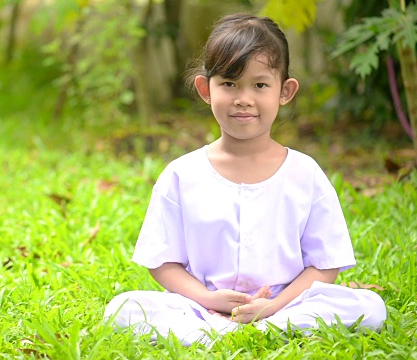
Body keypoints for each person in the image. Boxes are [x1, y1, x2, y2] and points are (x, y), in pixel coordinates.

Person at [103, 13, 386, 346]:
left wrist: (272, 307)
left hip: (285, 304)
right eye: (229, 84)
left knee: (370, 307)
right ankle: (222, 330)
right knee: (124, 308)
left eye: (260, 85)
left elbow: (324, 266)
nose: (244, 99)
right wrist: (209, 300)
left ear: (285, 91)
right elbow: (163, 263)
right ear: (205, 89)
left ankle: (248, 331)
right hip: (201, 307)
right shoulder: (181, 174)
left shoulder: (305, 174)